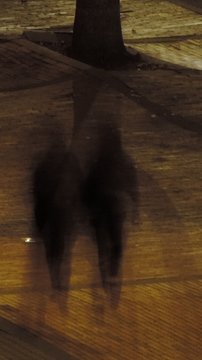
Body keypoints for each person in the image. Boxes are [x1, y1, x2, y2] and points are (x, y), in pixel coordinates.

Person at [81, 123, 139, 288]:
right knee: (116, 241)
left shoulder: (97, 163)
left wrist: (88, 210)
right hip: (115, 209)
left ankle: (106, 275)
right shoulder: (123, 162)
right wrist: (136, 210)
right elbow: (132, 186)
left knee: (102, 244)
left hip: (101, 211)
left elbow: (87, 188)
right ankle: (112, 273)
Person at [31, 129, 81, 293]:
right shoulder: (70, 162)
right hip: (63, 213)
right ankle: (56, 276)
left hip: (51, 214)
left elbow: (36, 191)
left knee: (53, 247)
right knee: (61, 247)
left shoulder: (44, 164)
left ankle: (55, 274)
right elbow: (80, 186)